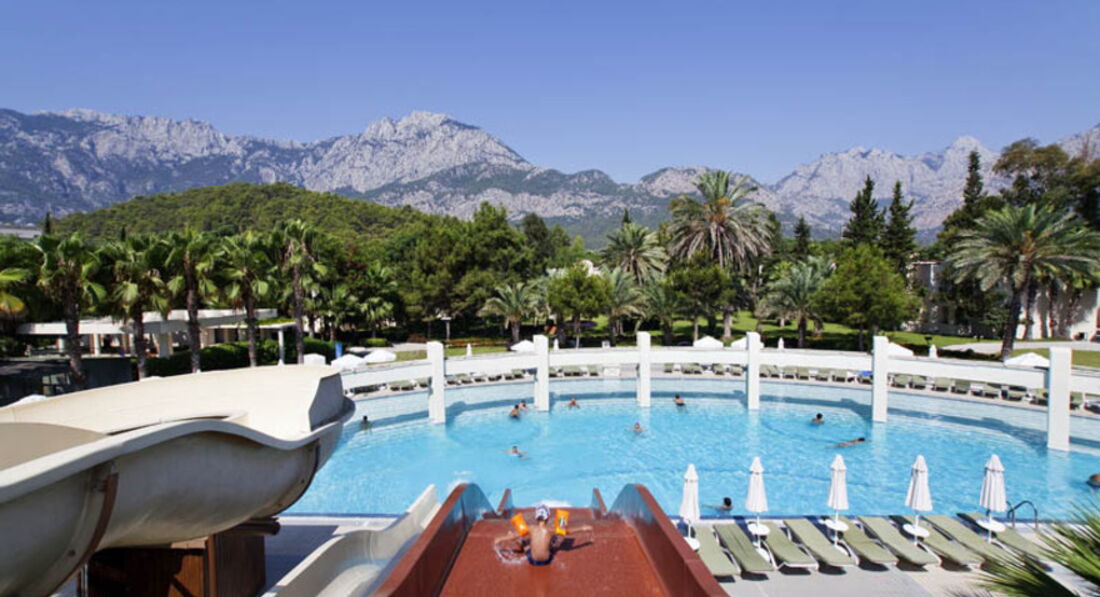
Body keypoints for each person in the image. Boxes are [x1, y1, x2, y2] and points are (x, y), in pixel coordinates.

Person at [494, 505, 593, 566]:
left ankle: (521, 545)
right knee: (555, 538)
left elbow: (515, 535)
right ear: (548, 517)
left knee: (524, 542)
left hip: (532, 561)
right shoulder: (550, 529)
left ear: (536, 517)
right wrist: (582, 528)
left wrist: (500, 539)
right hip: (547, 560)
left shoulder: (531, 528)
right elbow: (566, 531)